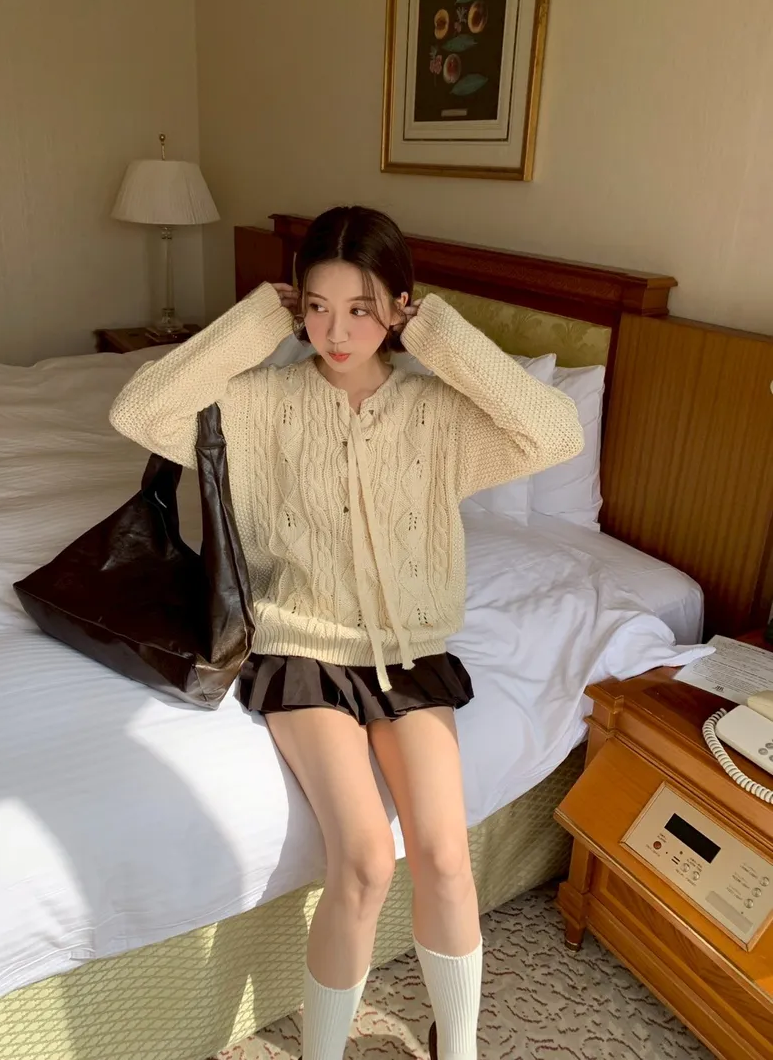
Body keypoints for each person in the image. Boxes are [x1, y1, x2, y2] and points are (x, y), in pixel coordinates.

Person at [110, 206, 584, 1060]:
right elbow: (139, 410)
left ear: (399, 305)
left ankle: (459, 1049)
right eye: (318, 307)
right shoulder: (257, 404)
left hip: (409, 653)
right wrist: (256, 319)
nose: (335, 332)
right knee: (363, 859)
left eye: (362, 308)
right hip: (302, 650)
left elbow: (557, 430)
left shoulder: (440, 416)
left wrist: (438, 331)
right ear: (297, 305)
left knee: (445, 857)